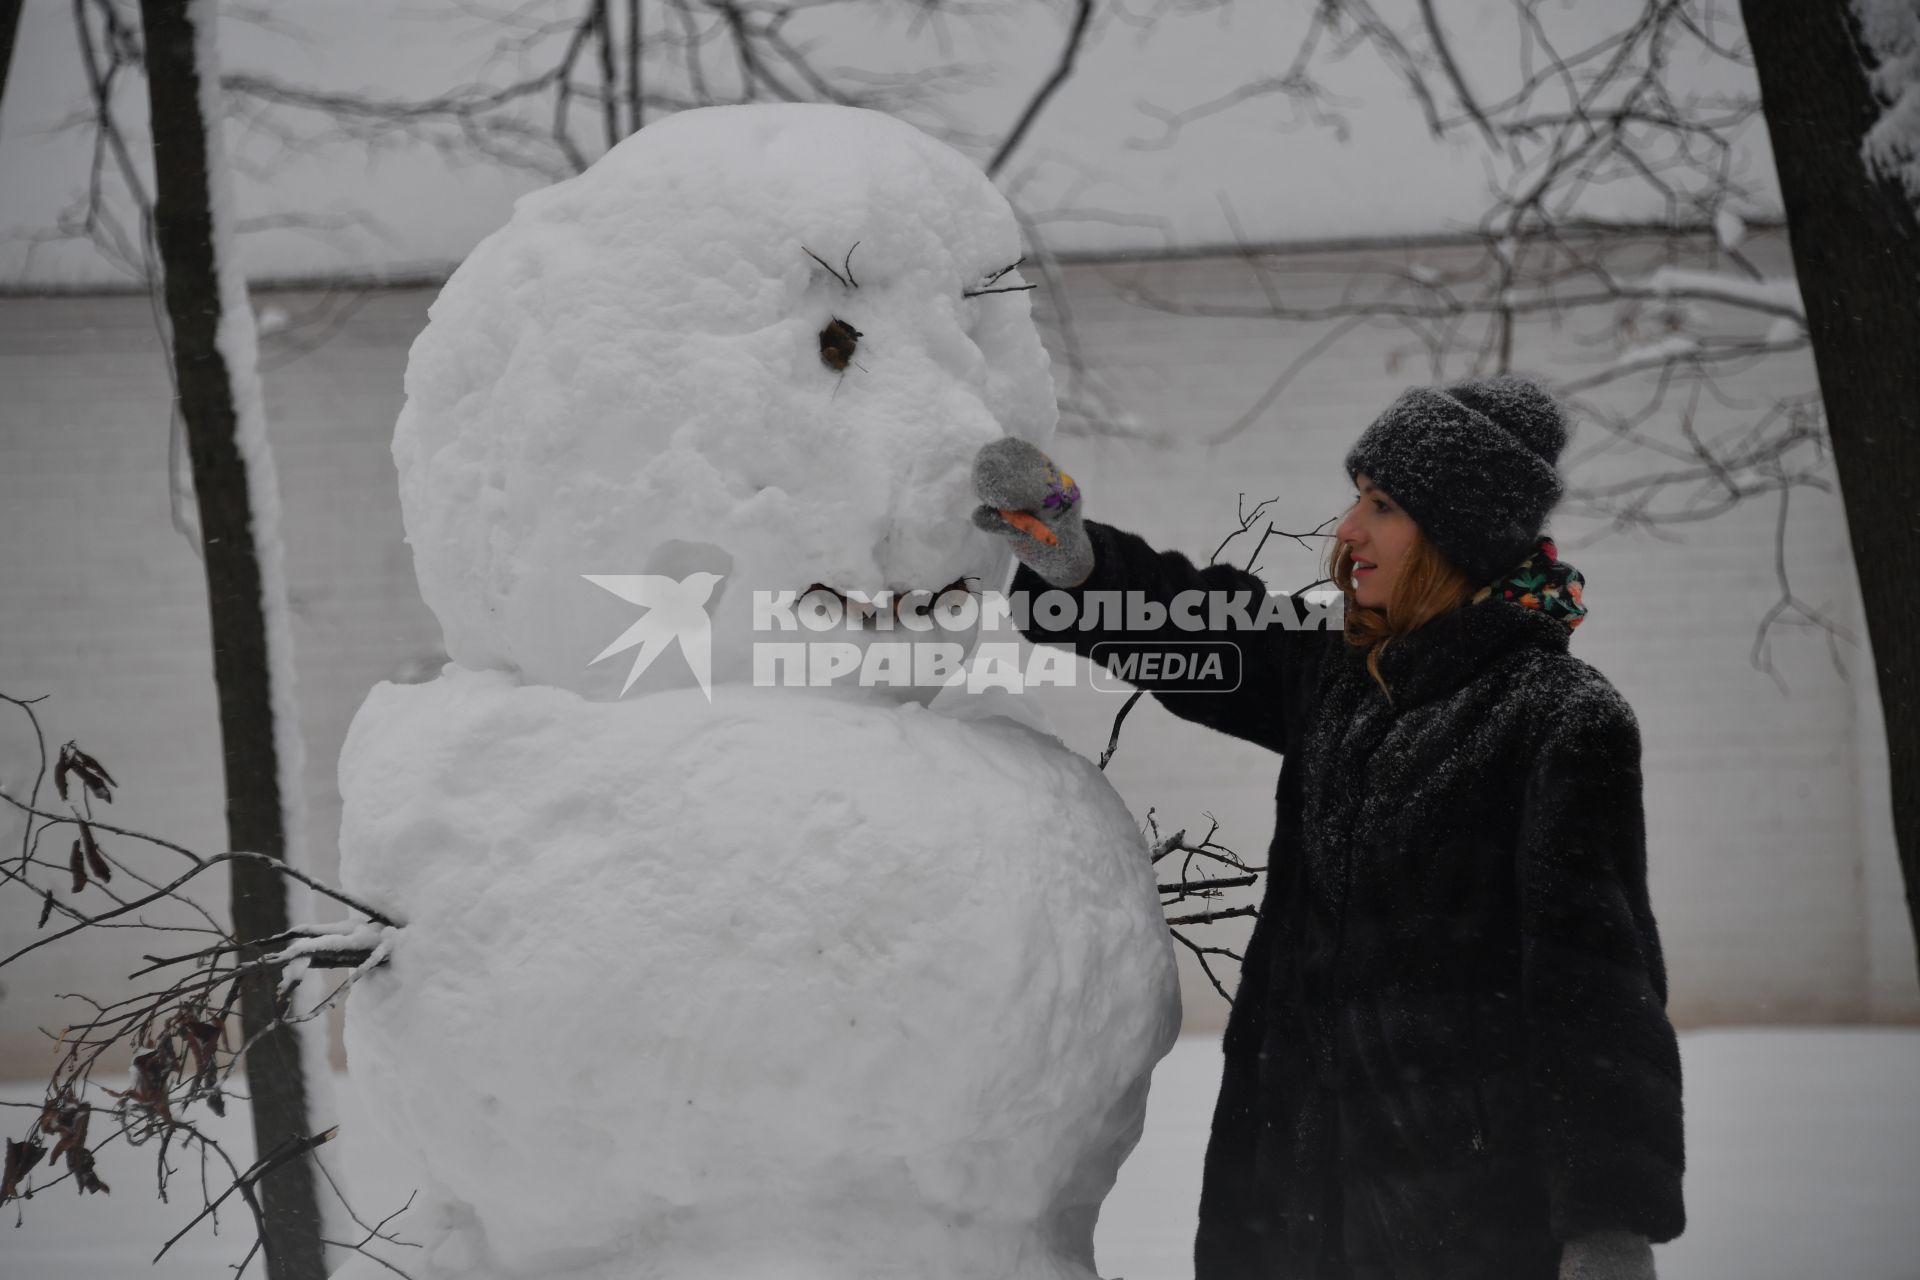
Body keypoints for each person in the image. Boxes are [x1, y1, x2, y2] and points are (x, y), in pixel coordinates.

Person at [969, 376, 1685, 1280]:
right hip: (1282, 1200)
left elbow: (1597, 990)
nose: (1347, 529)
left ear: (1454, 533)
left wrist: (1610, 1225)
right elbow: (1211, 635)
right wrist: (1083, 568)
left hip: (1461, 1218)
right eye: (1358, 498)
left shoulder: (1556, 718)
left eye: (1381, 505)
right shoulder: (1347, 673)